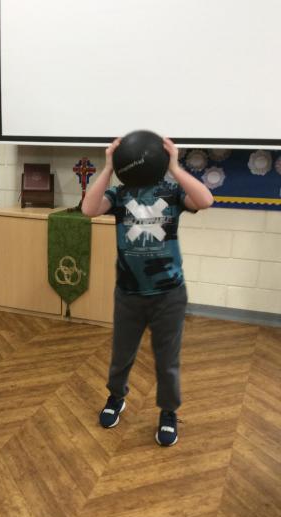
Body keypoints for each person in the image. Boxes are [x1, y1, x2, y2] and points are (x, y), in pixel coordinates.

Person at [82, 137, 213, 446]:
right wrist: (108, 167)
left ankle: (168, 411)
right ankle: (116, 397)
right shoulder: (118, 194)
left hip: (169, 294)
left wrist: (175, 166)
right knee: (121, 355)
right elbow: (89, 209)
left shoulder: (172, 192)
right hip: (129, 293)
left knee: (167, 360)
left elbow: (205, 200)